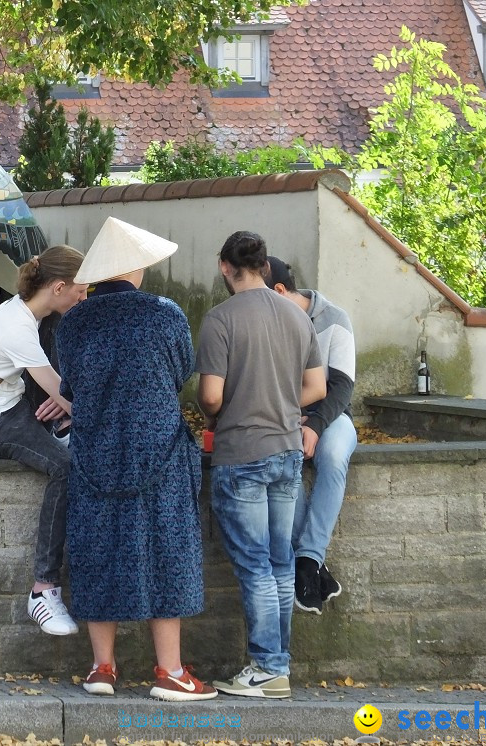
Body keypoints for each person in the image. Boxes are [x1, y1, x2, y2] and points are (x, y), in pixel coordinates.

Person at [55, 217, 217, 702]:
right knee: (166, 552)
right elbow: (182, 372)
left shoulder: (74, 322)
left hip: (94, 452)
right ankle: (170, 672)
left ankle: (102, 668)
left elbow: (71, 385)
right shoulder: (166, 315)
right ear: (136, 269)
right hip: (159, 455)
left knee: (95, 551)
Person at [196, 231, 325, 700]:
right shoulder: (295, 315)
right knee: (280, 563)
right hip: (287, 450)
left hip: (242, 452)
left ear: (223, 266)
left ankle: (269, 668)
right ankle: (277, 666)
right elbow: (317, 387)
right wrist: (283, 404)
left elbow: (211, 395)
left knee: (254, 566)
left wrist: (215, 407)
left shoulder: (219, 320)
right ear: (264, 266)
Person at [0, 245, 87, 636]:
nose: (84, 297)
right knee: (65, 468)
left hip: (10, 406)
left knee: (71, 444)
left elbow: (60, 397)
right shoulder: (17, 327)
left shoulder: (27, 314)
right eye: (80, 290)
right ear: (59, 287)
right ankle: (43, 589)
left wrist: (61, 409)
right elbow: (62, 393)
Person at [264, 256, 357, 615]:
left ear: (281, 291)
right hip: (286, 417)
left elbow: (343, 387)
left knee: (333, 457)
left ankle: (305, 561)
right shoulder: (269, 322)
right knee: (284, 456)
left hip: (333, 416)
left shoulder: (335, 318)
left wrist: (315, 426)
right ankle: (314, 566)